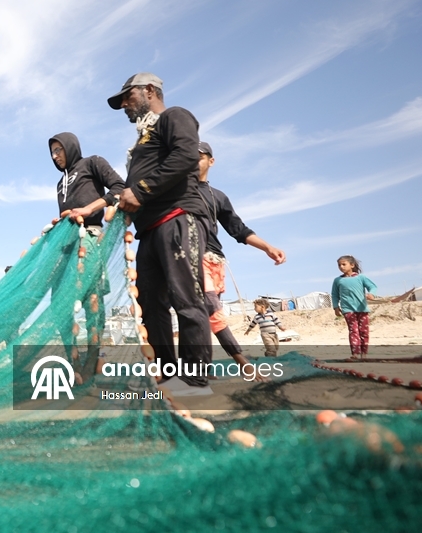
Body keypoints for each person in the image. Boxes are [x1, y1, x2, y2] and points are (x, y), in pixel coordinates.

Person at [109, 73, 212, 392]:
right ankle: (167, 376)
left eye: (128, 97)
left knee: (187, 300)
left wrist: (140, 190)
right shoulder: (141, 140)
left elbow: (184, 158)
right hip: (149, 231)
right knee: (152, 306)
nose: (125, 104)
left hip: (177, 218)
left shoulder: (174, 116)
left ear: (149, 91)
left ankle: (195, 380)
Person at [197, 141, 286, 372]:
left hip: (215, 260)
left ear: (211, 161)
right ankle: (241, 362)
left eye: (198, 156)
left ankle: (202, 370)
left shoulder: (218, 196)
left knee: (205, 317)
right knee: (211, 312)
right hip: (190, 260)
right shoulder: (176, 190)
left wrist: (267, 247)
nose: (192, 161)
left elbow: (238, 229)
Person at [49, 132, 125, 380]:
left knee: (92, 301)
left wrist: (90, 208)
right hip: (67, 246)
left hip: (90, 239)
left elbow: (119, 188)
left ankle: (94, 359)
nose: (55, 155)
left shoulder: (92, 163)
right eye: (52, 152)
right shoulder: (60, 184)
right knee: (59, 304)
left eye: (59, 149)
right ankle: (74, 361)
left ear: (71, 147)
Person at [331, 255, 377, 360]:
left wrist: (372, 294)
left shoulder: (361, 277)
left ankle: (364, 354)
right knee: (353, 331)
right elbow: (334, 294)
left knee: (364, 332)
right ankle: (355, 354)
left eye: (344, 264)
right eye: (339, 265)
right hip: (347, 309)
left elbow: (373, 287)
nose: (341, 267)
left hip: (362, 308)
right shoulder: (338, 280)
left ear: (352, 265)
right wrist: (336, 307)